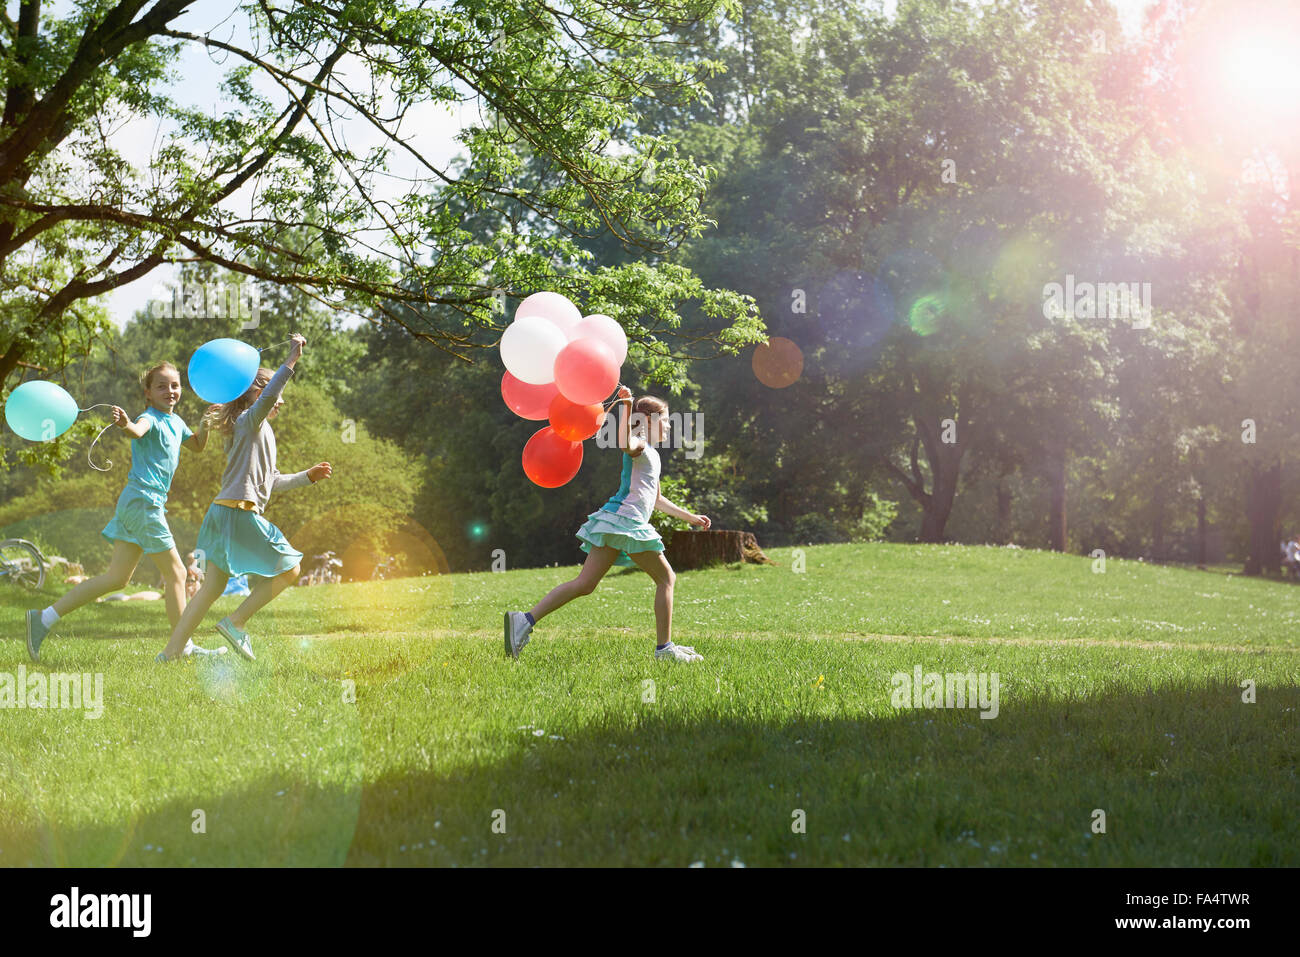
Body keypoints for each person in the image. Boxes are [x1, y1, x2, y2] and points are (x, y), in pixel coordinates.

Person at [24, 361, 219, 661]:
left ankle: (44, 618)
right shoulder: (149, 418)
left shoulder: (176, 422)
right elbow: (137, 431)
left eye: (175, 385)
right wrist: (125, 423)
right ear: (148, 393)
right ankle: (183, 649)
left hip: (138, 504)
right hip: (143, 503)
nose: (170, 391)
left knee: (117, 578)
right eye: (161, 386)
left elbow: (197, 446)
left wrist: (206, 422)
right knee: (177, 573)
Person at [157, 334, 332, 661]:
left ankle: (170, 653)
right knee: (290, 568)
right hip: (239, 513)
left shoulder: (256, 430)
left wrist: (307, 477)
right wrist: (292, 359)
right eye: (267, 391)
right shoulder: (249, 421)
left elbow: (272, 481)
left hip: (222, 513)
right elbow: (268, 398)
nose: (278, 399)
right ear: (253, 394)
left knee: (211, 588)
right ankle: (235, 622)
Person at [504, 385, 711, 662]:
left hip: (616, 523)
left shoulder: (652, 454)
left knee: (585, 584)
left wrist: (692, 518)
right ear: (647, 421)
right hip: (625, 522)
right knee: (666, 578)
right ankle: (665, 649)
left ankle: (524, 621)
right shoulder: (638, 445)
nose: (669, 425)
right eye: (665, 419)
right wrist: (626, 405)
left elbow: (657, 499)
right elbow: (624, 440)